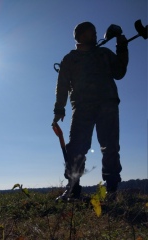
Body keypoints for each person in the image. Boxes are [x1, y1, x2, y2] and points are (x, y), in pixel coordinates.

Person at [52, 22, 129, 200]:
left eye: (95, 33)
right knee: (76, 147)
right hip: (82, 106)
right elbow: (62, 85)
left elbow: (119, 72)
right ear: (80, 36)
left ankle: (112, 191)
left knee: (110, 147)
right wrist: (59, 109)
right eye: (91, 33)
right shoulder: (70, 59)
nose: (95, 35)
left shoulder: (104, 53)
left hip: (107, 104)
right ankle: (73, 189)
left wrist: (121, 46)